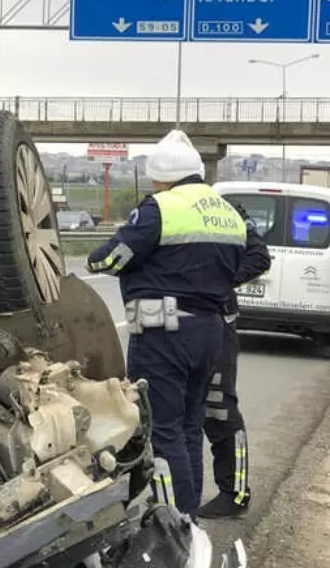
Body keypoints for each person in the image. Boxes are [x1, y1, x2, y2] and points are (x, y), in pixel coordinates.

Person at [87, 130, 246, 520]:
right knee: (189, 428)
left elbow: (109, 259)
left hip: (165, 335)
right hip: (211, 331)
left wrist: (97, 259)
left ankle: (173, 524)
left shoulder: (162, 207)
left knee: (162, 431)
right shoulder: (227, 212)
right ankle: (188, 518)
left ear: (162, 176)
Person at [198, 203, 271, 519]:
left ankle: (235, 492)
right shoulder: (164, 209)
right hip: (179, 329)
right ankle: (178, 495)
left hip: (218, 323)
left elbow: (259, 257)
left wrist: (220, 283)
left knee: (219, 409)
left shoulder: (224, 212)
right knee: (180, 415)